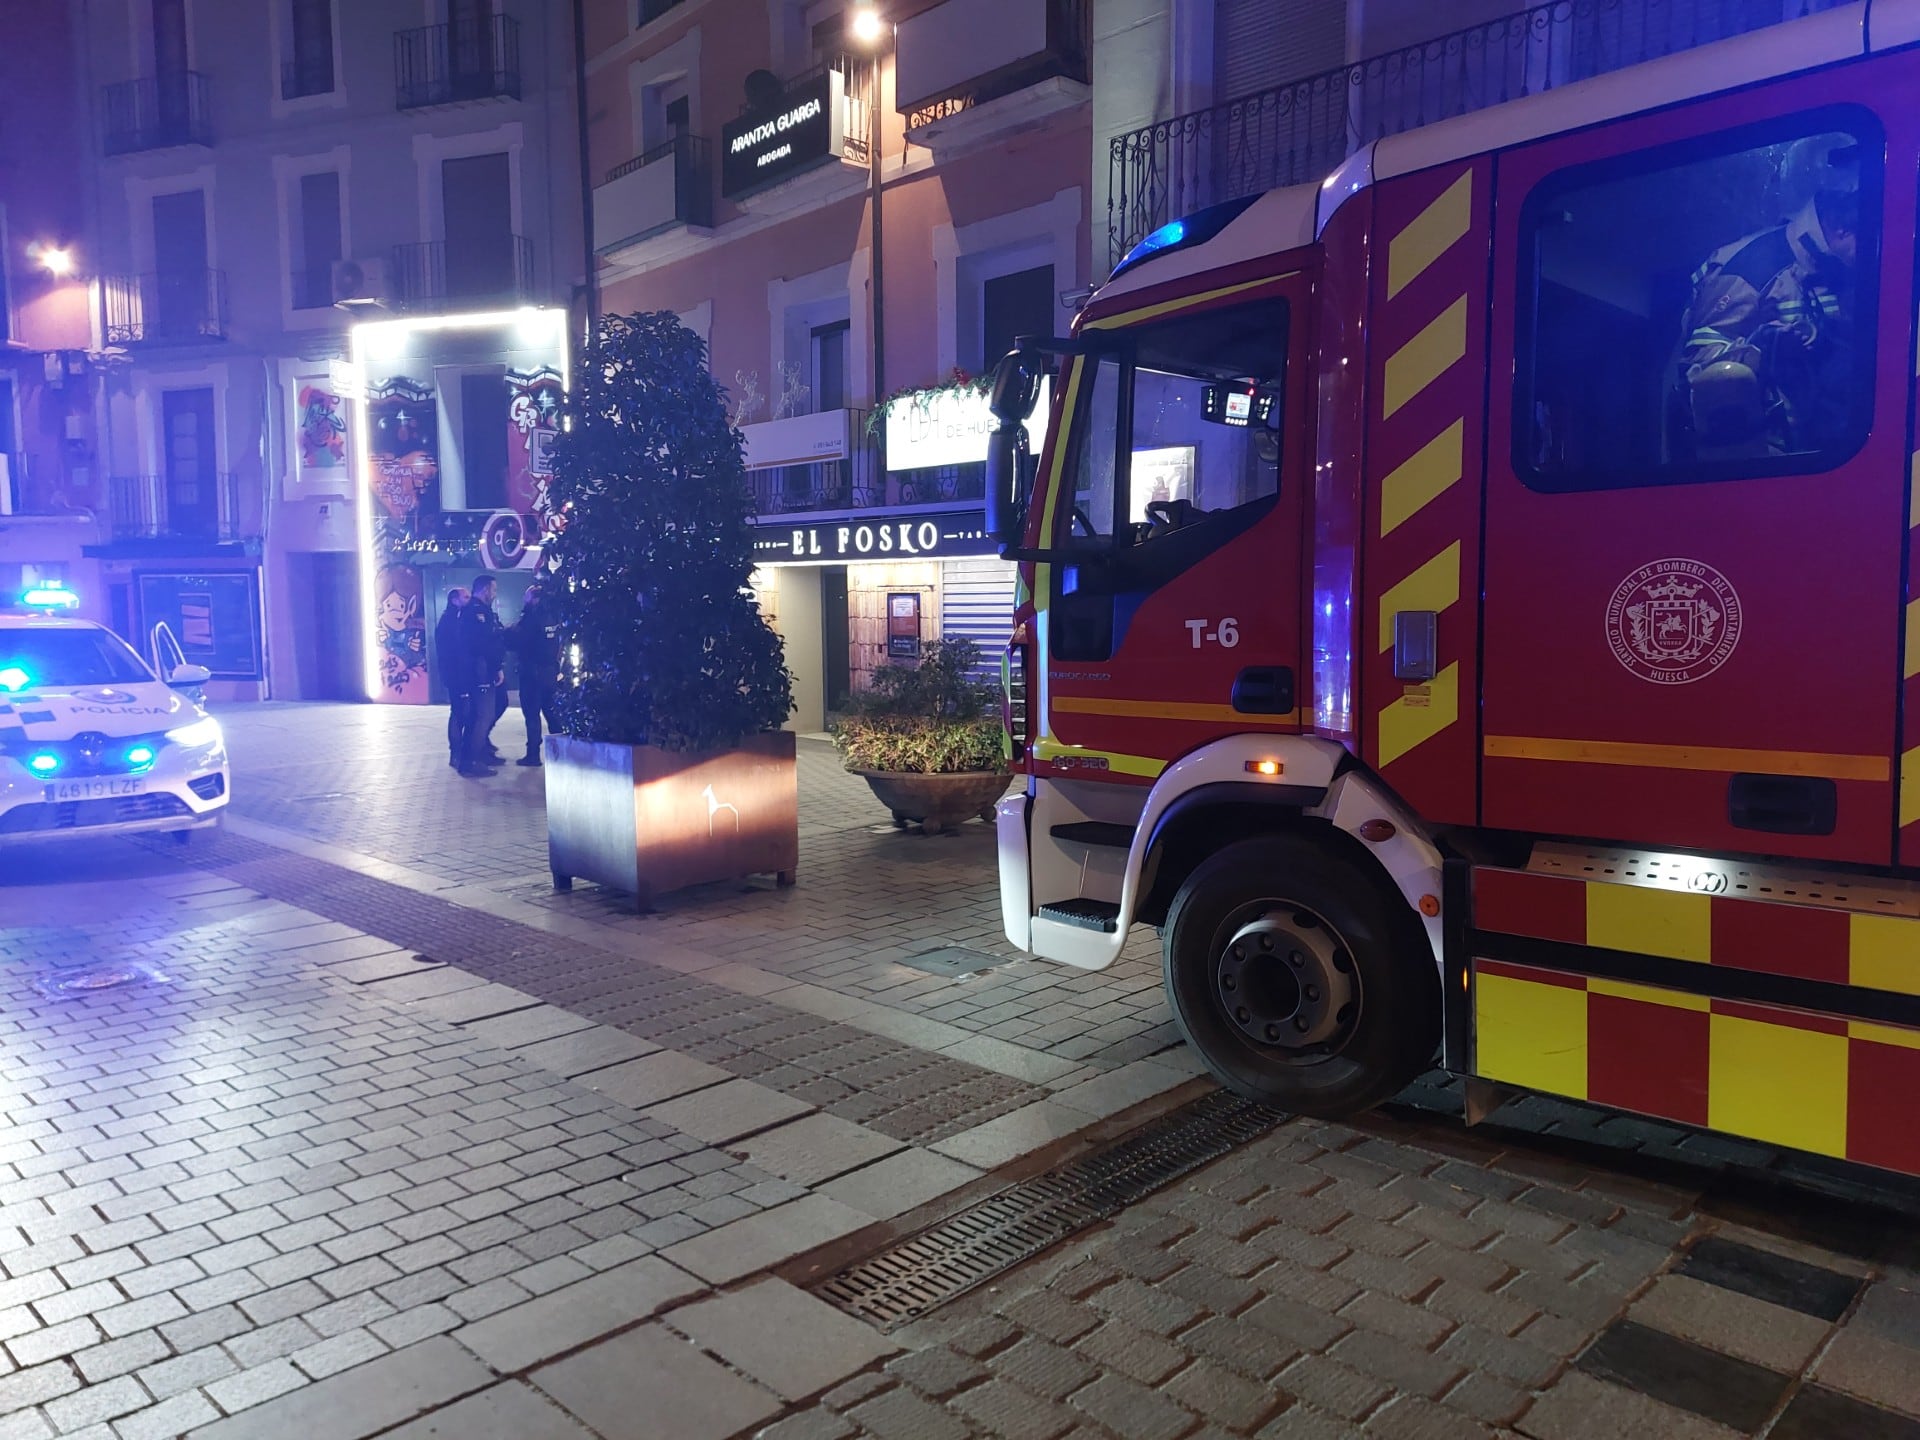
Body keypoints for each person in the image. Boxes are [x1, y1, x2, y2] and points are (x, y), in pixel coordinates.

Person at [1673, 137, 1860, 461]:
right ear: (1840, 222)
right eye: (1867, 224)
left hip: (1839, 455)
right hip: (1773, 468)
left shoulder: (1844, 274)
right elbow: (1699, 366)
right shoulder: (1749, 266)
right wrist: (1765, 348)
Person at [457, 575, 508, 777]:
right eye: (493, 590)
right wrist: (496, 667)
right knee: (482, 715)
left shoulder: (483, 612)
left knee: (494, 706)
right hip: (480, 670)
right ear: (485, 589)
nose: (494, 594)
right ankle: (471, 760)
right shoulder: (476, 613)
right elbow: (483, 644)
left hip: (484, 668)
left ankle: (480, 751)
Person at [513, 581, 560, 767]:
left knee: (532, 715)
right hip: (550, 671)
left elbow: (520, 639)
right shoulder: (553, 616)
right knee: (552, 713)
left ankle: (533, 754)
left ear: (533, 599)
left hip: (532, 673)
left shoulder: (530, 617)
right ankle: (561, 750)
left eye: (527, 596)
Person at [433, 587, 469, 769]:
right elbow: (454, 652)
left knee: (461, 712)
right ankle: (456, 753)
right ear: (455, 600)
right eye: (465, 596)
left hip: (456, 674)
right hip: (457, 675)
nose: (469, 599)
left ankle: (459, 751)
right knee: (458, 712)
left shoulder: (454, 619)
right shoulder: (450, 622)